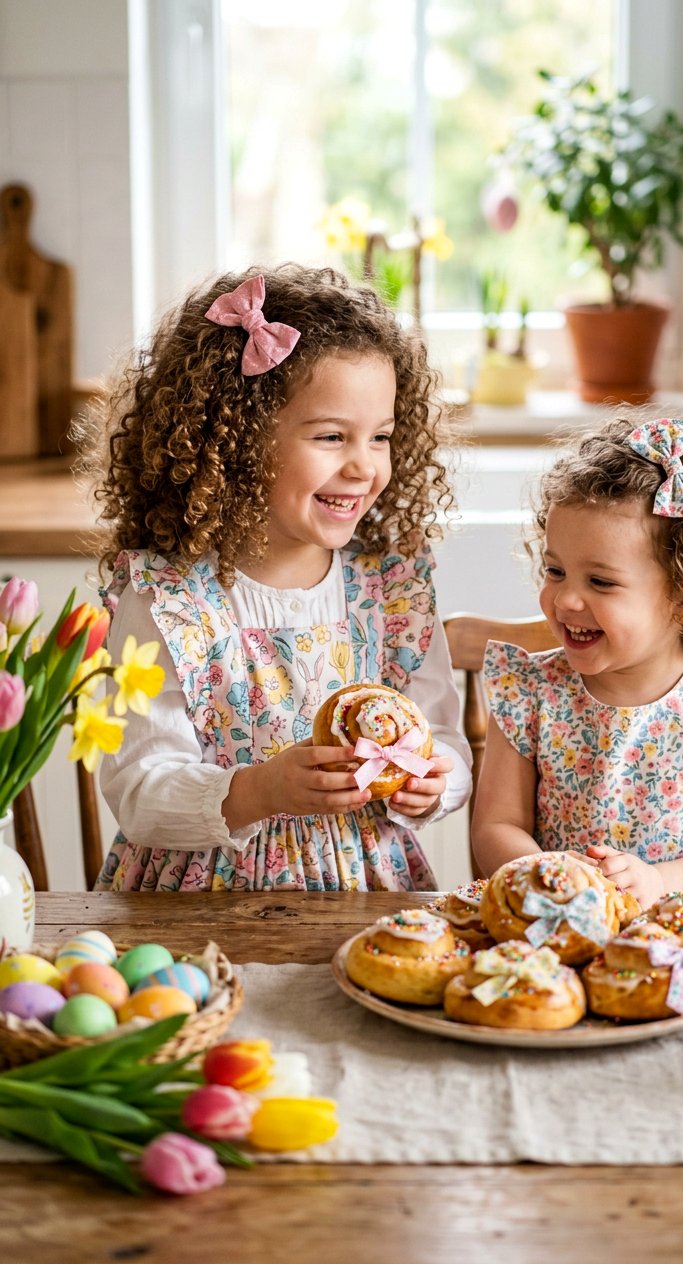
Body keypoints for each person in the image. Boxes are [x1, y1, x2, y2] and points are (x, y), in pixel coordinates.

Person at [88, 264, 472, 892]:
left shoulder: (392, 593)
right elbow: (140, 789)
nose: (363, 466)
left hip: (362, 896)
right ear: (234, 440)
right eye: (330, 436)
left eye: (380, 437)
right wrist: (259, 790)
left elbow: (444, 737)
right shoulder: (172, 600)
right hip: (200, 906)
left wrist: (435, 781)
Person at [472, 417, 683, 907]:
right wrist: (544, 870)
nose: (566, 600)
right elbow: (497, 825)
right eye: (555, 571)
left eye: (601, 582)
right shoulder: (528, 692)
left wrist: (660, 881)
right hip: (561, 924)